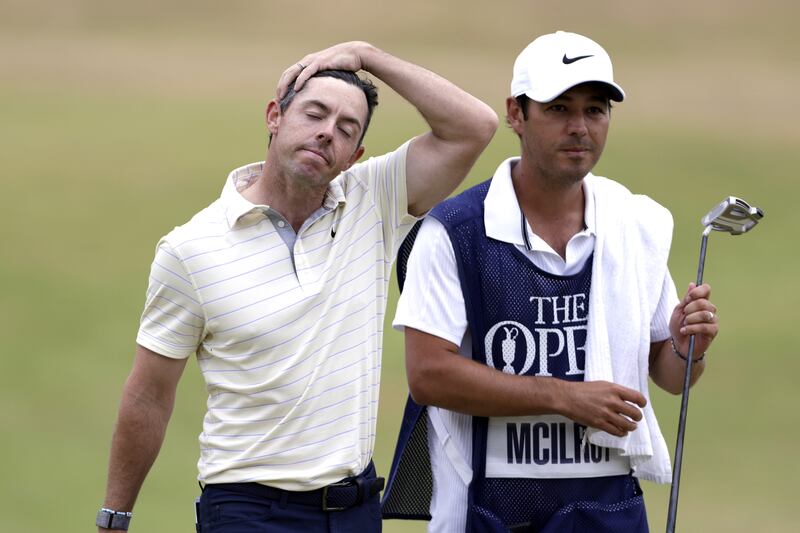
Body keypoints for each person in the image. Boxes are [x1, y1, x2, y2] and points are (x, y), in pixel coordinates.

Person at [96, 41, 498, 533]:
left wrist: (366, 55)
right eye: (314, 114)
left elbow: (474, 126)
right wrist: (115, 516)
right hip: (247, 510)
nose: (327, 131)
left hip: (354, 509)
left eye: (346, 129)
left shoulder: (375, 198)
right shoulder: (190, 249)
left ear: (354, 156)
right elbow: (149, 394)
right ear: (274, 117)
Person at [383, 31, 719, 532]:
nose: (579, 127)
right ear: (516, 114)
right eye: (559, 109)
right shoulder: (454, 230)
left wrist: (686, 347)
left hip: (607, 513)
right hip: (483, 516)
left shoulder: (632, 224)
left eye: (595, 110)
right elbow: (429, 375)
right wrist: (565, 397)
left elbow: (670, 377)